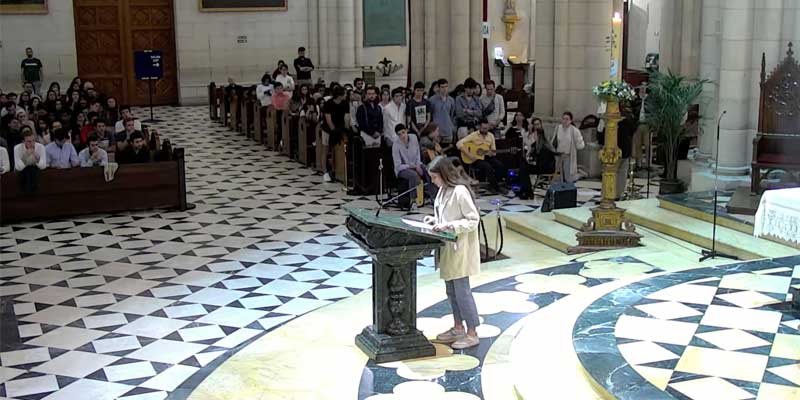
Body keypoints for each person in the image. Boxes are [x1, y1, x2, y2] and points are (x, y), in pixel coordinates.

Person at [422, 156, 481, 350]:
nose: (432, 181)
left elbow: (473, 220)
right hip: (447, 248)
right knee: (451, 291)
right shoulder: (443, 190)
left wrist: (450, 225)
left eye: (435, 177)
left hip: (460, 248)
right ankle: (458, 327)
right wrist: (435, 220)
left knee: (462, 291)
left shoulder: (460, 191)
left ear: (444, 175)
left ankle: (472, 332)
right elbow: (445, 215)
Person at [456, 118, 507, 193]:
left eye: (487, 128)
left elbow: (494, 151)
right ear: (479, 127)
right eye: (483, 128)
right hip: (475, 159)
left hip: (486, 156)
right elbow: (459, 143)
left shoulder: (491, 136)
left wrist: (491, 153)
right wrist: (468, 154)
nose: (485, 130)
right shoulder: (474, 135)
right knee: (487, 166)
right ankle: (496, 188)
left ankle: (494, 184)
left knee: (500, 165)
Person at [392, 124, 435, 210]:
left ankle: (434, 197)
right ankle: (413, 201)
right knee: (413, 176)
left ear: (407, 131)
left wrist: (418, 165)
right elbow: (398, 165)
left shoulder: (414, 138)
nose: (402, 136)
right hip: (403, 169)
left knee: (430, 171)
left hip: (416, 164)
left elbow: (417, 154)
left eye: (403, 132)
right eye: (399, 134)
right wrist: (412, 166)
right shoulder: (395, 145)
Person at [598, 107, 637, 199]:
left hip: (612, 150)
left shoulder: (607, 117)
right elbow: (632, 130)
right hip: (624, 149)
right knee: (621, 175)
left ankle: (608, 195)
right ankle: (618, 195)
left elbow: (601, 135)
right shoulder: (626, 117)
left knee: (610, 172)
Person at [321, 86, 350, 182]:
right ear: (339, 95)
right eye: (344, 94)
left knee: (337, 149)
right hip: (328, 129)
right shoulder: (328, 104)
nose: (346, 95)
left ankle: (336, 170)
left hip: (340, 127)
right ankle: (325, 171)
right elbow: (328, 119)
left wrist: (345, 129)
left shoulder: (345, 103)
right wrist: (333, 131)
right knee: (326, 149)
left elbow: (346, 117)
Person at [554, 111, 585, 183]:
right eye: (563, 119)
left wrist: (579, 143)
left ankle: (580, 174)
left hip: (568, 155)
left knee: (569, 178)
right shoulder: (558, 128)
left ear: (570, 120)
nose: (564, 121)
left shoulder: (574, 130)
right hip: (559, 155)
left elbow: (580, 144)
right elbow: (554, 140)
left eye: (567, 119)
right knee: (559, 176)